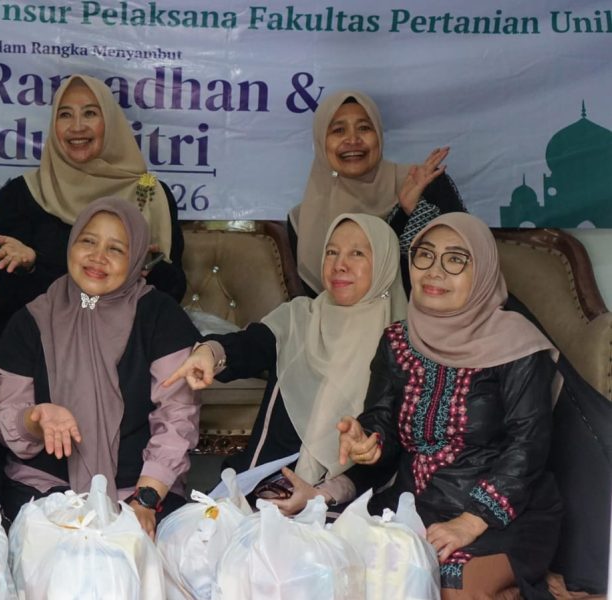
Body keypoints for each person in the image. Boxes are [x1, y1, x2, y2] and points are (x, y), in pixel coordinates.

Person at [328, 213, 561, 597]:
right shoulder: (398, 341)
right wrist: (367, 439)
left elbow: (529, 444)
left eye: (455, 260)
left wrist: (472, 520)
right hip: (415, 505)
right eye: (425, 255)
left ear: (482, 272)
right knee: (333, 566)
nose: (434, 271)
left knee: (449, 584)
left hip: (503, 514)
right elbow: (383, 420)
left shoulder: (516, 345)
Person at [0, 197, 199, 538]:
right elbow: (5, 416)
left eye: (116, 249)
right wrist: (34, 420)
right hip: (44, 488)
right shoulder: (31, 319)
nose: (97, 257)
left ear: (137, 258)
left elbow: (177, 418)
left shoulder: (161, 317)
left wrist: (146, 499)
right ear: (71, 245)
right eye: (88, 241)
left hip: (139, 491)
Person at [164, 213, 406, 501]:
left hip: (343, 503)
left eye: (357, 254)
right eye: (332, 252)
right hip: (263, 490)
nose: (339, 265)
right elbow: (251, 345)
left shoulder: (402, 344)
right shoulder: (299, 317)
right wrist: (210, 352)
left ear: (385, 264)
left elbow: (393, 449)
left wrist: (322, 495)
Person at [0, 74, 187, 340]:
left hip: (124, 340)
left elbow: (172, 291)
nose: (77, 126)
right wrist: (32, 265)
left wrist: (148, 265)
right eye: (65, 115)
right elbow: (3, 295)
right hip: (39, 338)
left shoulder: (150, 193)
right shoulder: (24, 192)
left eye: (90, 113)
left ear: (111, 123)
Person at [289, 90, 466, 294]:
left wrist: (412, 213)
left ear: (379, 135)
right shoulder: (303, 220)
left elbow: (465, 261)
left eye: (364, 128)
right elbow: (315, 298)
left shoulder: (422, 182)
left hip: (424, 311)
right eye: (338, 130)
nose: (352, 139)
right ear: (321, 142)